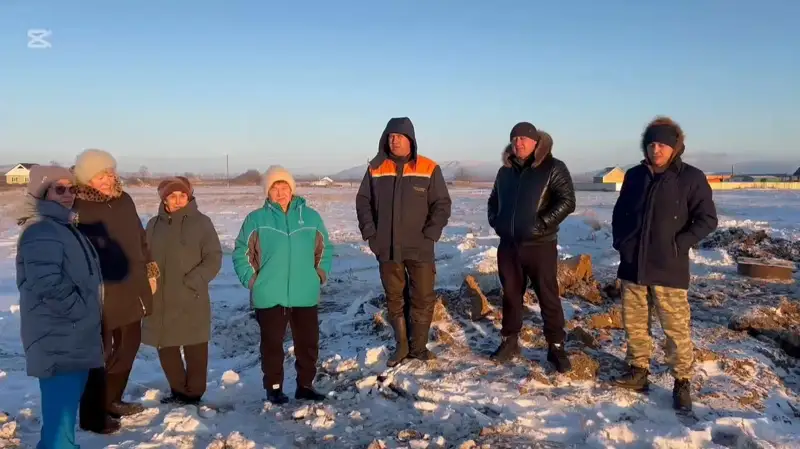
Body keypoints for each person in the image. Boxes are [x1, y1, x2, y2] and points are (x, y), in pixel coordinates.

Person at [610, 117, 717, 412]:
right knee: (634, 324)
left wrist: (679, 244)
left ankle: (681, 381)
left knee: (676, 329)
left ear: (675, 147)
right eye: (652, 143)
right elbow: (620, 214)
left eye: (663, 144)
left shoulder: (690, 178)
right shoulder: (635, 175)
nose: (656, 149)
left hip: (668, 267)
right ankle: (638, 371)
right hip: (633, 264)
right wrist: (622, 242)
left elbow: (707, 219)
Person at [16, 166, 107, 447]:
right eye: (60, 189)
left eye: (72, 188)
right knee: (61, 432)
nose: (68, 195)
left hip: (72, 338)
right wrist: (81, 312)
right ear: (43, 192)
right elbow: (47, 284)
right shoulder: (42, 230)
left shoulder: (63, 226)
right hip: (58, 339)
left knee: (60, 425)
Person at [71, 149, 160, 431]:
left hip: (132, 286)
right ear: (87, 179)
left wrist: (150, 268)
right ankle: (92, 413)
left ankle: (113, 400)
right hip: (100, 293)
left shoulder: (124, 200)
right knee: (100, 354)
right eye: (100, 175)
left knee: (129, 346)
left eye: (110, 173)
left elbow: (140, 236)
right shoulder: (76, 207)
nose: (108, 179)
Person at [355, 117, 452, 368]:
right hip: (386, 248)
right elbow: (363, 201)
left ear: (411, 139)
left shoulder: (428, 167)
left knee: (422, 296)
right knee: (394, 297)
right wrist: (371, 234)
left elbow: (442, 204)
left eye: (399, 136)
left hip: (420, 247)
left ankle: (418, 347)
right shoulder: (377, 168)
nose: (394, 140)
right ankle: (402, 346)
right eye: (390, 136)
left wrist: (430, 234)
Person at [232, 166, 333, 405]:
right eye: (275, 188)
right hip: (269, 294)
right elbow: (240, 252)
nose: (280, 192)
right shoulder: (256, 219)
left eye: (284, 187)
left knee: (308, 344)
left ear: (292, 189)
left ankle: (305, 386)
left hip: (305, 293)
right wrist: (253, 280)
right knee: (272, 346)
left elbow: (325, 249)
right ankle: (274, 388)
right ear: (267, 192)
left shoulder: (311, 217)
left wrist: (318, 274)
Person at [487, 122, 576, 373]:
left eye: (524, 139)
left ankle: (556, 346)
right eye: (514, 138)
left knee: (547, 295)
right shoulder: (505, 172)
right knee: (511, 295)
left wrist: (541, 224)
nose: (519, 143)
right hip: (509, 246)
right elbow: (493, 200)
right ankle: (510, 341)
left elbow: (567, 200)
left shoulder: (553, 167)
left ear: (536, 142)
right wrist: (497, 221)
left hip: (540, 245)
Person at [143, 177, 222, 405]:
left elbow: (213, 257)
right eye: (172, 196)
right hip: (160, 296)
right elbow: (144, 255)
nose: (178, 200)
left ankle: (194, 393)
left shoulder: (202, 223)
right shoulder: (153, 225)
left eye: (182, 196)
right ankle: (178, 390)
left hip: (191, 294)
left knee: (195, 344)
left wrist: (195, 280)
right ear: (164, 200)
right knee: (165, 344)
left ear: (189, 197)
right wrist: (148, 277)